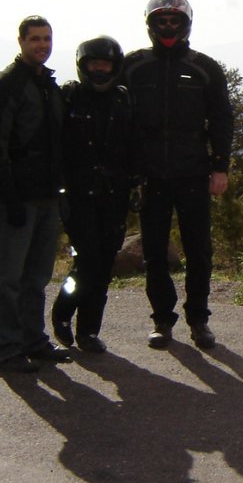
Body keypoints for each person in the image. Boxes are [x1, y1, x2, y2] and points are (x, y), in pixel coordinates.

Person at [123, 0, 234, 350]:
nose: (168, 27)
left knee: (199, 250)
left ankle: (199, 320)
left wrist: (220, 167)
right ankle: (161, 321)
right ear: (150, 24)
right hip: (149, 173)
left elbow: (221, 119)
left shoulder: (205, 67)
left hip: (193, 172)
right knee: (154, 252)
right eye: (161, 21)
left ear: (186, 23)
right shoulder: (133, 66)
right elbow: (118, 118)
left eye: (173, 21)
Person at [0, 15, 71, 373]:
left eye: (47, 38)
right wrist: (8, 195)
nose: (42, 45)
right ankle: (5, 349)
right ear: (20, 42)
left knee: (36, 278)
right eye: (35, 39)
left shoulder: (46, 84)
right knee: (7, 279)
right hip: (18, 198)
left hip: (47, 197)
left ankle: (33, 340)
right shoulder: (5, 87)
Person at [50, 36, 136, 354]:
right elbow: (53, 144)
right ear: (83, 65)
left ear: (115, 67)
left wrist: (137, 182)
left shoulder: (123, 100)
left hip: (114, 195)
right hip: (78, 194)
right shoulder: (69, 97)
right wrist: (57, 186)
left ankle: (88, 331)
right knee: (87, 261)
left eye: (106, 64)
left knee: (104, 264)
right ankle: (62, 312)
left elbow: (132, 145)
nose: (100, 69)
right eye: (94, 64)